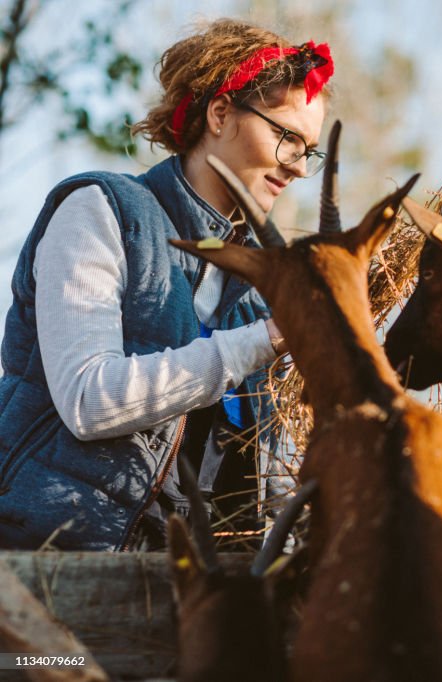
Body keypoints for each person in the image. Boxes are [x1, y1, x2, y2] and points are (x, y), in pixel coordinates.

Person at [0, 18, 334, 551]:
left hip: (199, 593)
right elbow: (89, 401)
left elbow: (266, 472)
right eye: (285, 136)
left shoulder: (265, 285)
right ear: (220, 113)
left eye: (308, 151)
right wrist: (265, 338)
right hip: (48, 563)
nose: (296, 166)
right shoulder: (101, 211)